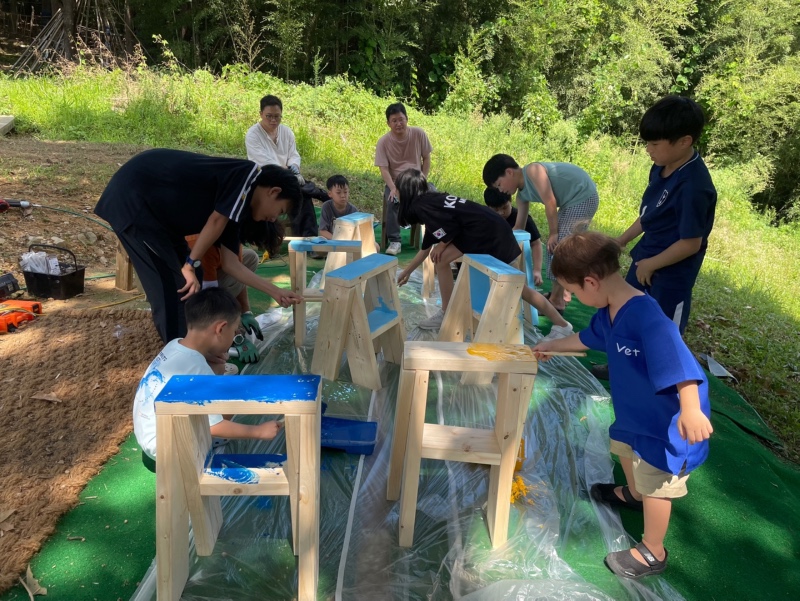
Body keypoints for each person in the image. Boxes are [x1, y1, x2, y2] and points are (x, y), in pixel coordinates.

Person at [532, 231, 712, 580]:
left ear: (590, 282)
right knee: (624, 448)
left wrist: (691, 410)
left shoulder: (646, 316)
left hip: (667, 424)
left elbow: (682, 366)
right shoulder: (608, 312)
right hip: (636, 414)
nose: (573, 297)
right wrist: (550, 346)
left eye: (573, 291)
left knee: (655, 482)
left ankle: (653, 551)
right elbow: (587, 338)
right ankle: (633, 494)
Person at [95, 148, 304, 344]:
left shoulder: (237, 209)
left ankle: (194, 343)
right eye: (280, 210)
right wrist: (189, 264)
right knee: (173, 289)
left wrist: (276, 292)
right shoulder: (246, 175)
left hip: (163, 222)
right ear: (273, 191)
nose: (274, 218)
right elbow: (215, 221)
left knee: (195, 283)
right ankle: (180, 358)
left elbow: (231, 264)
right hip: (135, 201)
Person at [593, 95, 717, 380]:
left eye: (655, 144)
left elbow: (691, 243)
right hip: (646, 256)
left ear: (684, 141)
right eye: (647, 143)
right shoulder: (661, 167)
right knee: (626, 310)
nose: (648, 150)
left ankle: (661, 380)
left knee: (663, 328)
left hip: (672, 272)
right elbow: (649, 216)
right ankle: (621, 366)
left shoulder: (694, 186)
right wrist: (620, 241)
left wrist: (653, 264)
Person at [394, 168, 572, 338]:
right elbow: (426, 248)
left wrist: (441, 245)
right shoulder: (430, 202)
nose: (394, 192)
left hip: (490, 234)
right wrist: (407, 272)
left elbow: (450, 228)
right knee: (441, 259)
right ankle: (446, 312)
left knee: (518, 287)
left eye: (396, 188)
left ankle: (562, 325)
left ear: (405, 190)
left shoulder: (422, 206)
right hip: (485, 230)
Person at [134, 287, 284, 468]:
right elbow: (213, 426)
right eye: (234, 331)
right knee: (228, 404)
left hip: (148, 434)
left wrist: (211, 364)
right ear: (220, 328)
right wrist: (258, 431)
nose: (234, 337)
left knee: (220, 385)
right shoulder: (198, 368)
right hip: (167, 448)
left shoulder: (175, 344)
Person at [483, 154, 599, 313]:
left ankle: (557, 300)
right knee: (555, 247)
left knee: (561, 246)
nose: (500, 190)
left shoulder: (533, 171)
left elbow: (550, 201)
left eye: (499, 184)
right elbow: (519, 227)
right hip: (570, 201)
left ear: (509, 172)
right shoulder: (521, 197)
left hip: (583, 195)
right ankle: (559, 293)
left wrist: (553, 233)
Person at [245, 94, 319, 237]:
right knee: (302, 191)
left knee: (302, 194)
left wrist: (294, 167)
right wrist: (289, 173)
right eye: (269, 116)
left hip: (287, 177)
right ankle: (304, 236)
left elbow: (293, 154)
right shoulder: (253, 134)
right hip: (265, 180)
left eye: (277, 116)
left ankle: (308, 237)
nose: (273, 120)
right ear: (261, 114)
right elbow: (265, 163)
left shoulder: (286, 132)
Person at [375, 102, 433, 256]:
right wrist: (393, 188)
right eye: (394, 120)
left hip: (416, 181)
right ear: (388, 123)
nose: (398, 123)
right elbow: (383, 169)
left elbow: (427, 158)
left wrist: (423, 179)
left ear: (407, 118)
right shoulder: (383, 142)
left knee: (434, 197)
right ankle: (395, 240)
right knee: (392, 200)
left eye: (401, 119)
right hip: (397, 183)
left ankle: (434, 238)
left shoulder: (418, 133)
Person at [484, 187, 543, 286]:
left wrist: (537, 270)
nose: (501, 213)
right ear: (488, 207)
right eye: (496, 210)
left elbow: (536, 243)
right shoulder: (485, 218)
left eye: (505, 207)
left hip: (516, 264)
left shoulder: (522, 219)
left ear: (510, 201)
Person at [318, 175, 381, 252]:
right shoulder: (326, 207)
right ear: (330, 194)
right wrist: (338, 241)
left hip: (350, 243)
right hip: (333, 241)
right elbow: (323, 231)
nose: (343, 196)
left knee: (376, 247)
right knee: (319, 250)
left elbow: (358, 233)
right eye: (338, 192)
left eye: (345, 192)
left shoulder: (353, 210)